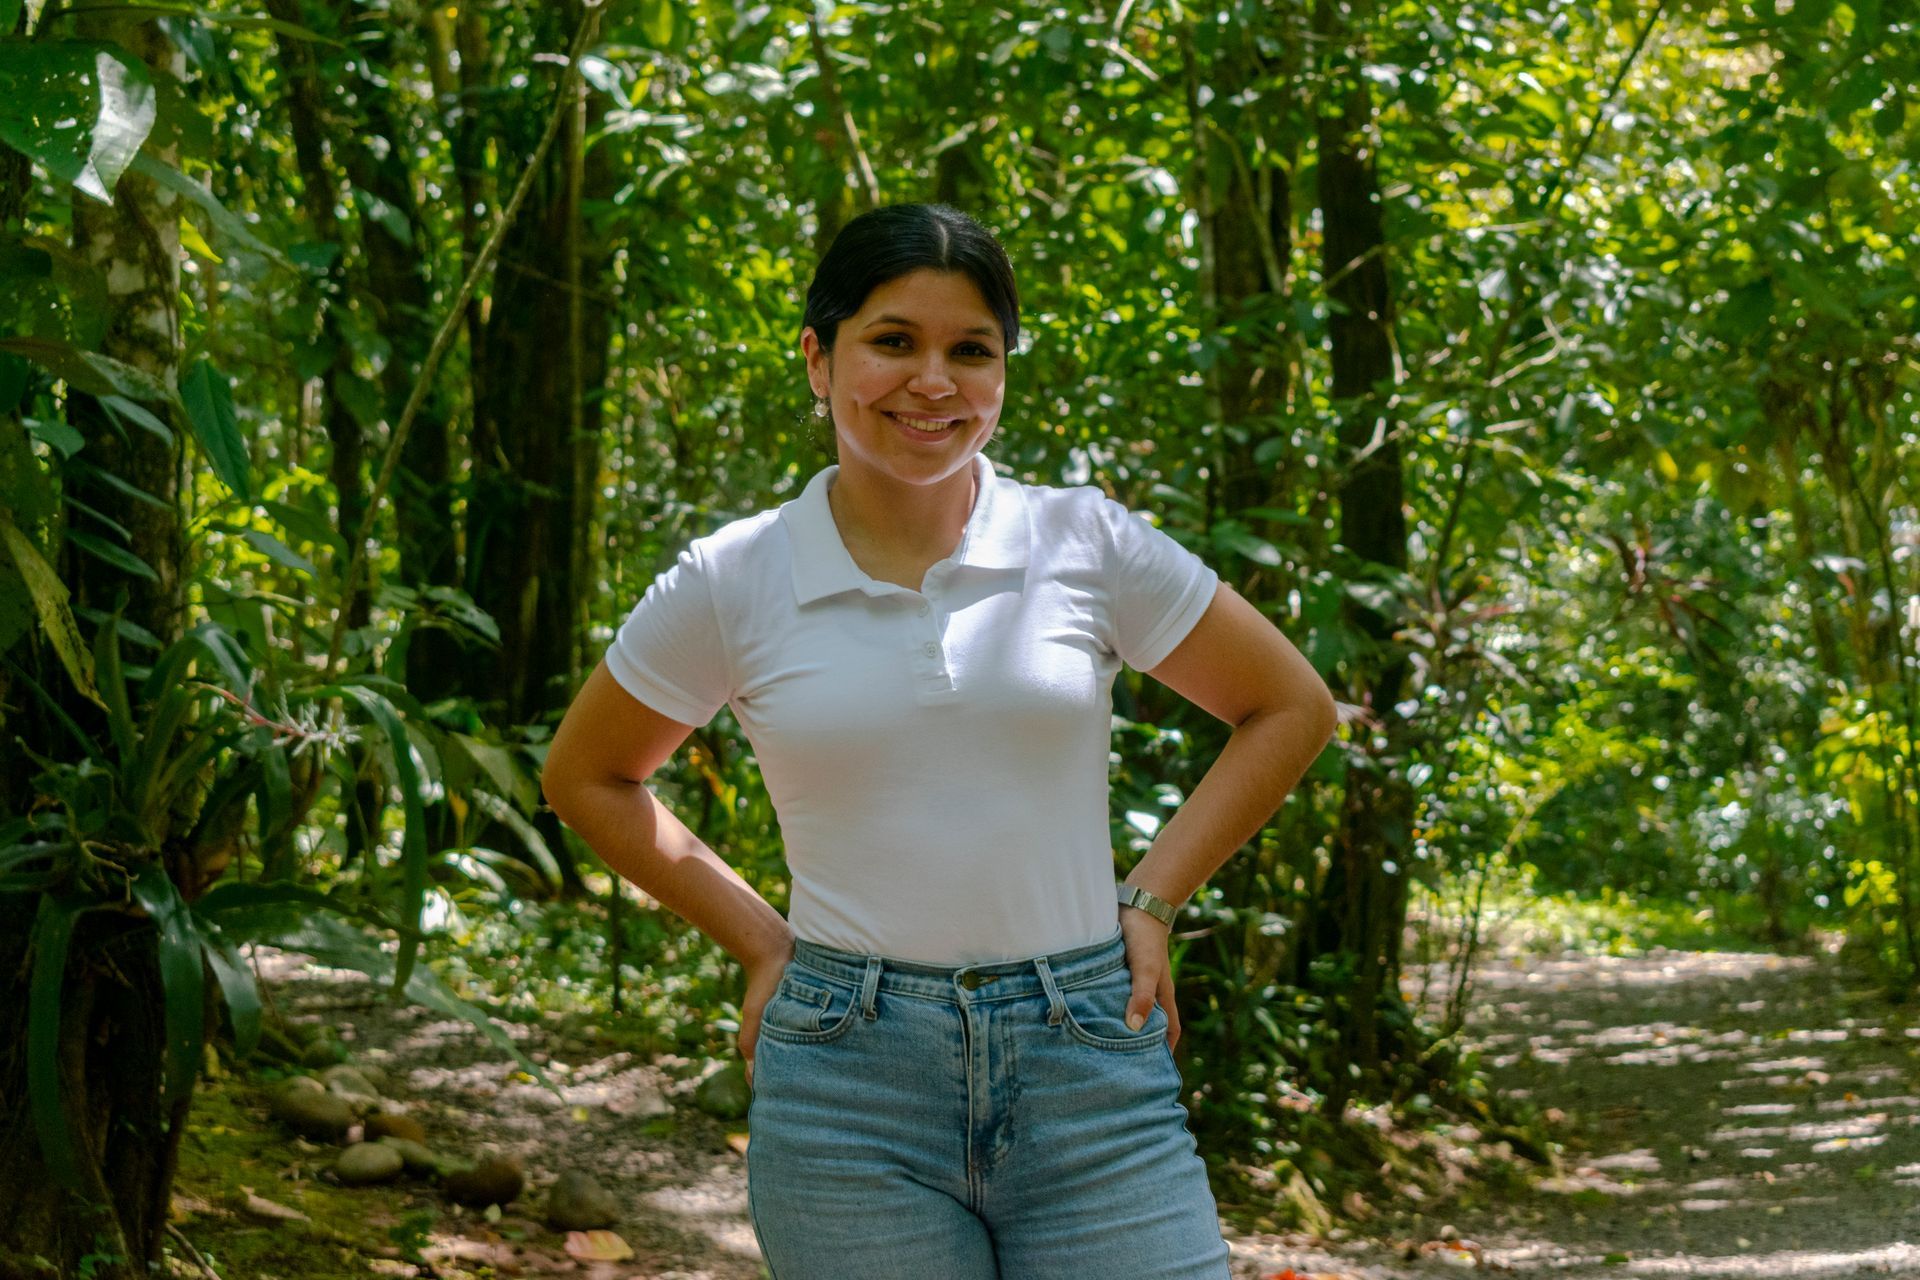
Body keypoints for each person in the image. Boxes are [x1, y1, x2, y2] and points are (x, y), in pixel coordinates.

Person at [541, 203, 1339, 1279]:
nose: (934, 380)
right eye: (893, 340)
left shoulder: (1082, 540)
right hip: (847, 1084)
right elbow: (589, 773)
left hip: (1089, 1058)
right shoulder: (734, 578)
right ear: (819, 358)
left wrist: (1151, 899)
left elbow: (1291, 706)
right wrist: (765, 942)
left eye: (972, 350)